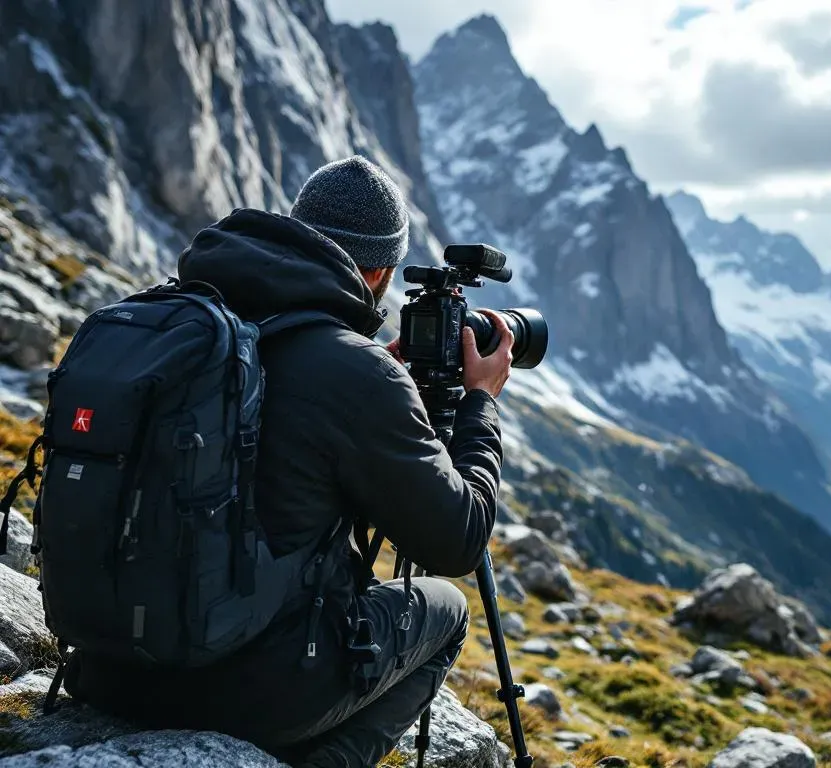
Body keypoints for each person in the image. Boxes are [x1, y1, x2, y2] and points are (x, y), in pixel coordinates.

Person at [63, 156, 513, 768]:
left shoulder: (185, 322)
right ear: (379, 271)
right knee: (449, 611)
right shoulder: (355, 373)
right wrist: (481, 403)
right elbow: (457, 541)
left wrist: (375, 379)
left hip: (107, 667)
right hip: (247, 697)